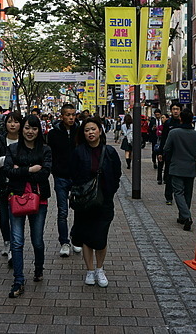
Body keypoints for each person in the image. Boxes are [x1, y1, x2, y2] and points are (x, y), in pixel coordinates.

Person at [3, 114, 52, 298]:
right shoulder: (12, 148)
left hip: (39, 200)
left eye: (34, 128)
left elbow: (45, 174)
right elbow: (8, 171)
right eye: (27, 128)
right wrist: (31, 169)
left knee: (37, 240)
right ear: (22, 129)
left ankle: (38, 268)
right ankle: (18, 280)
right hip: (16, 198)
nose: (30, 132)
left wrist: (20, 170)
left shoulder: (45, 150)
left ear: (39, 130)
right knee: (17, 241)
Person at [69, 117, 121, 287]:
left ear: (100, 130)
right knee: (86, 235)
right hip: (85, 202)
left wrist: (109, 191)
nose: (90, 133)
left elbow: (117, 174)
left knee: (101, 236)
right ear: (82, 133)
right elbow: (73, 174)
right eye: (86, 130)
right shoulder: (78, 152)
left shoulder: (110, 152)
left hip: (104, 201)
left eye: (93, 129)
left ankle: (100, 268)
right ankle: (90, 270)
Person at [46, 103, 80, 258]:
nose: (71, 117)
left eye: (73, 114)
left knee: (79, 210)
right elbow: (49, 154)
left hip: (78, 176)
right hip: (60, 177)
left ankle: (76, 238)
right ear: (62, 116)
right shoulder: (53, 134)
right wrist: (54, 170)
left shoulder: (80, 131)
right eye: (68, 114)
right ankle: (64, 242)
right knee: (63, 211)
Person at [163, 109, 196, 231]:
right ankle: (183, 216)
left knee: (178, 192)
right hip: (190, 167)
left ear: (181, 118)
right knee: (188, 193)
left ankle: (186, 216)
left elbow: (167, 148)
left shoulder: (174, 133)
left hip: (176, 166)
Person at [0, 111, 23, 263]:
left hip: (19, 185)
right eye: (10, 122)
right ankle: (7, 242)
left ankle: (14, 247)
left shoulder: (24, 140)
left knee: (15, 216)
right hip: (2, 185)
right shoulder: (0, 141)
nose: (13, 124)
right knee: (4, 217)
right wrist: (8, 159)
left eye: (16, 122)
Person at [158, 104, 183, 204]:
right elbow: (163, 138)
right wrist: (161, 152)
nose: (175, 111)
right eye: (173, 109)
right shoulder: (168, 123)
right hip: (169, 153)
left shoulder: (182, 122)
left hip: (181, 153)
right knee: (169, 174)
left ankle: (180, 195)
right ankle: (169, 196)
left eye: (177, 109)